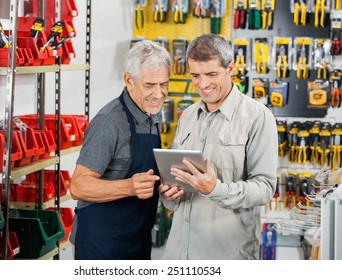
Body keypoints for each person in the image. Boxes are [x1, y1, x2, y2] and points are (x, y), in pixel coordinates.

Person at [158, 34, 278, 260]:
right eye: (195, 75)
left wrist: (215, 189)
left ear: (230, 68)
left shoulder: (258, 117)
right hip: (178, 253)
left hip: (226, 256)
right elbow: (175, 184)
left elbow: (264, 189)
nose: (203, 84)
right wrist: (168, 194)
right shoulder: (188, 117)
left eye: (211, 74)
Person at [69, 40, 171, 260]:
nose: (158, 93)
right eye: (149, 85)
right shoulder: (109, 122)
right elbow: (78, 186)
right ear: (129, 80)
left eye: (163, 84)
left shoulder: (151, 115)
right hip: (101, 245)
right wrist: (129, 187)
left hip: (137, 241)